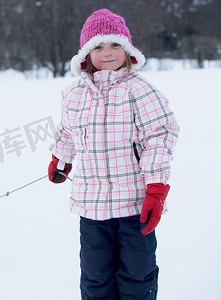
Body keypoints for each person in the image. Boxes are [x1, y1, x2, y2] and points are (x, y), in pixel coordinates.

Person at [48, 9, 179, 300]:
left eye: (114, 45)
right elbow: (68, 131)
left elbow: (159, 136)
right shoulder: (73, 93)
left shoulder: (140, 91)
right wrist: (61, 158)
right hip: (92, 209)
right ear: (85, 53)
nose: (107, 53)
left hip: (134, 207)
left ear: (128, 49)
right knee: (95, 279)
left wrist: (156, 189)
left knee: (137, 277)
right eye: (98, 46)